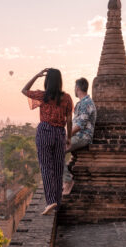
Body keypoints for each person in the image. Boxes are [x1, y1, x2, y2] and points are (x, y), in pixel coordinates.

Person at [21, 68, 73, 215]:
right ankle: (56, 203)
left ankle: (51, 202)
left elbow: (24, 90)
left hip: (45, 131)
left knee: (46, 167)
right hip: (60, 133)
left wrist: (36, 75)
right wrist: (69, 137)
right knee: (57, 169)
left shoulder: (43, 96)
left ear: (47, 81)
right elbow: (69, 119)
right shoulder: (67, 98)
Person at [62, 77, 97, 195]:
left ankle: (67, 181)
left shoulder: (86, 103)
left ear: (77, 88)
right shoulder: (82, 103)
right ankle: (64, 179)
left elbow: (79, 126)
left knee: (56, 150)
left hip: (83, 136)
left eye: (74, 87)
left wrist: (66, 137)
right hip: (78, 135)